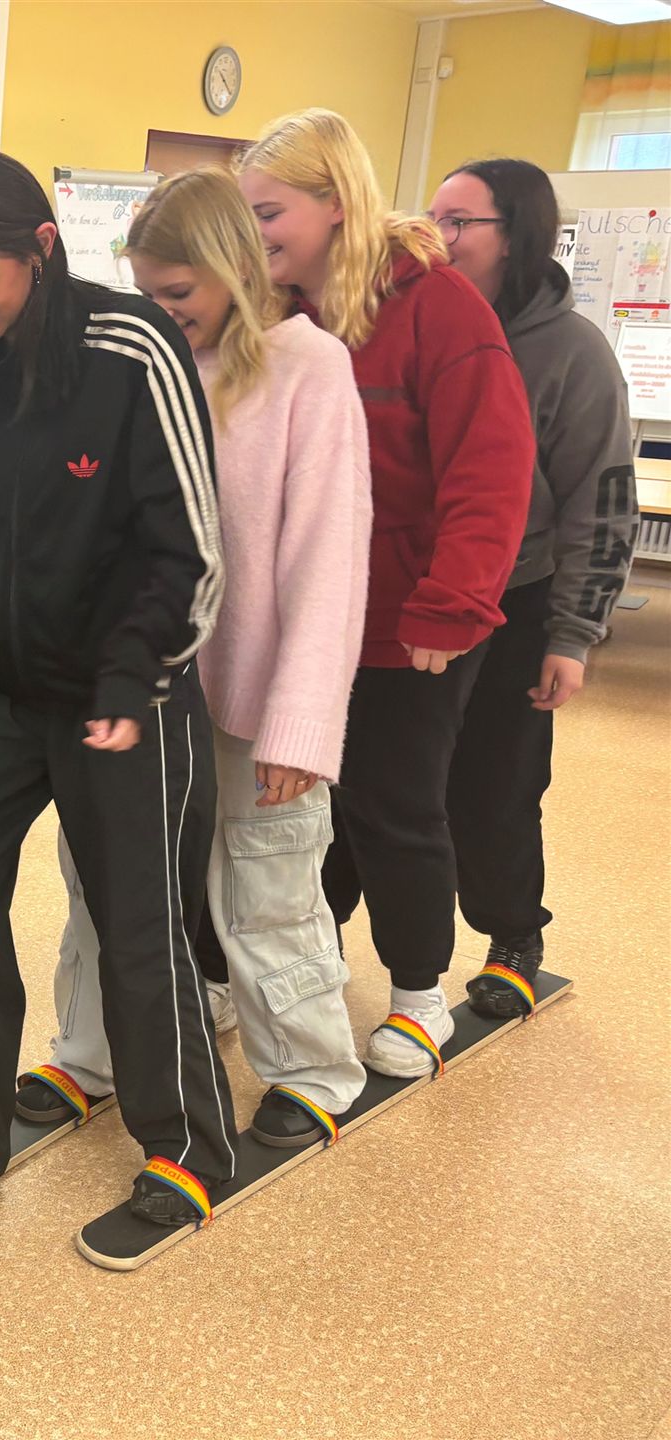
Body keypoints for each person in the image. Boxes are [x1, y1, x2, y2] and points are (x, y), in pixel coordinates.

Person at [0, 147, 231, 1228]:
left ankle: (185, 1144)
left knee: (138, 924)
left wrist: (133, 675)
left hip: (124, 691)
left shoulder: (133, 347)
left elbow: (190, 548)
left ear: (42, 248)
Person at [30, 168, 371, 1150]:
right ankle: (90, 1052)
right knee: (105, 875)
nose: (161, 311)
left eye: (177, 293)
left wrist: (304, 725)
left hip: (256, 695)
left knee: (267, 888)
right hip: (146, 681)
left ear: (234, 268)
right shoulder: (146, 362)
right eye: (145, 292)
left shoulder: (310, 369)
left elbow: (329, 562)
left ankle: (311, 1068)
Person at [238, 110, 534, 1077]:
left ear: (334, 202)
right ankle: (301, 969)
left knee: (394, 807)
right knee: (297, 811)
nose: (255, 232)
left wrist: (451, 606)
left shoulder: (439, 307)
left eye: (270, 212)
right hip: (307, 620)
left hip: (410, 622)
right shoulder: (276, 314)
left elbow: (491, 470)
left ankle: (418, 995)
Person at [428, 159, 637, 1015]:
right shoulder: (418, 323)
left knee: (498, 784)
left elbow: (602, 500)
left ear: (515, 235)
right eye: (431, 218)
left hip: (514, 600)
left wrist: (571, 636)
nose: (437, 238)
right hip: (415, 594)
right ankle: (319, 934)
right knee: (379, 778)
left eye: (458, 222)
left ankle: (513, 935)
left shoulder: (572, 351)